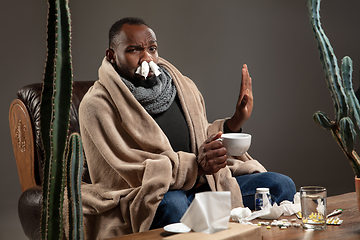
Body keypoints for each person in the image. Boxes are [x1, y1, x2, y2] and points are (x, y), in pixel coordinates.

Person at [79, 17, 296, 239]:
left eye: (152, 49)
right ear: (112, 56)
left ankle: (208, 222)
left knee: (280, 185)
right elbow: (126, 171)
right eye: (134, 50)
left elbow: (204, 136)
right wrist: (196, 166)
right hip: (150, 195)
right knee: (173, 206)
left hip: (204, 185)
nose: (147, 58)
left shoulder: (181, 85)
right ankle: (207, 219)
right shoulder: (97, 104)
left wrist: (235, 121)